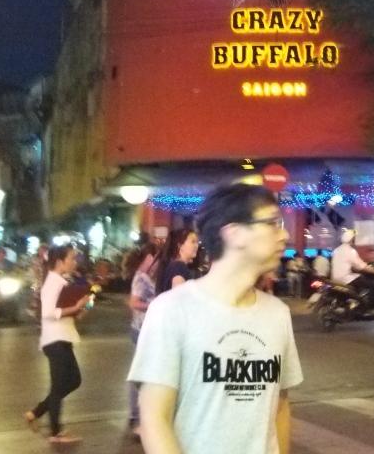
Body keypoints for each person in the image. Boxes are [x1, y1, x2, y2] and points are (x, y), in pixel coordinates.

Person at [129, 183, 302, 454]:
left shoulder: (277, 313)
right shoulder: (171, 310)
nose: (285, 234)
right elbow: (154, 419)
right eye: (272, 223)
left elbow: (279, 405)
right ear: (234, 233)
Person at [24, 244, 94, 444]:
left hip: (63, 337)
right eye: (71, 258)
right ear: (59, 262)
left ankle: (36, 413)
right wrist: (75, 306)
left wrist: (82, 308)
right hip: (54, 340)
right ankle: (55, 432)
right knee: (59, 385)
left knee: (73, 380)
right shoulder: (52, 283)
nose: (74, 262)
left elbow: (67, 311)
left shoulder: (62, 282)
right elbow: (48, 313)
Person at [126, 241, 160, 439]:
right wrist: (154, 304)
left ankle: (138, 416)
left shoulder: (144, 276)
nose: (157, 264)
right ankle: (136, 417)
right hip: (141, 330)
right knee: (140, 374)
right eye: (155, 259)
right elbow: (134, 302)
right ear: (148, 258)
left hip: (142, 329)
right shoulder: (141, 277)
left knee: (141, 373)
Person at [331, 230, 374, 307]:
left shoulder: (337, 250)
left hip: (335, 278)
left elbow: (346, 263)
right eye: (354, 238)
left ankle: (353, 301)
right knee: (373, 285)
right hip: (345, 278)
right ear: (351, 239)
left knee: (358, 278)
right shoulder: (350, 251)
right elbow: (361, 266)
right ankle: (369, 306)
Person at [156, 229, 200, 294]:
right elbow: (179, 297)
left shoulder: (173, 266)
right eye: (193, 242)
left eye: (197, 242)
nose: (196, 245)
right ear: (180, 245)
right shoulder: (179, 267)